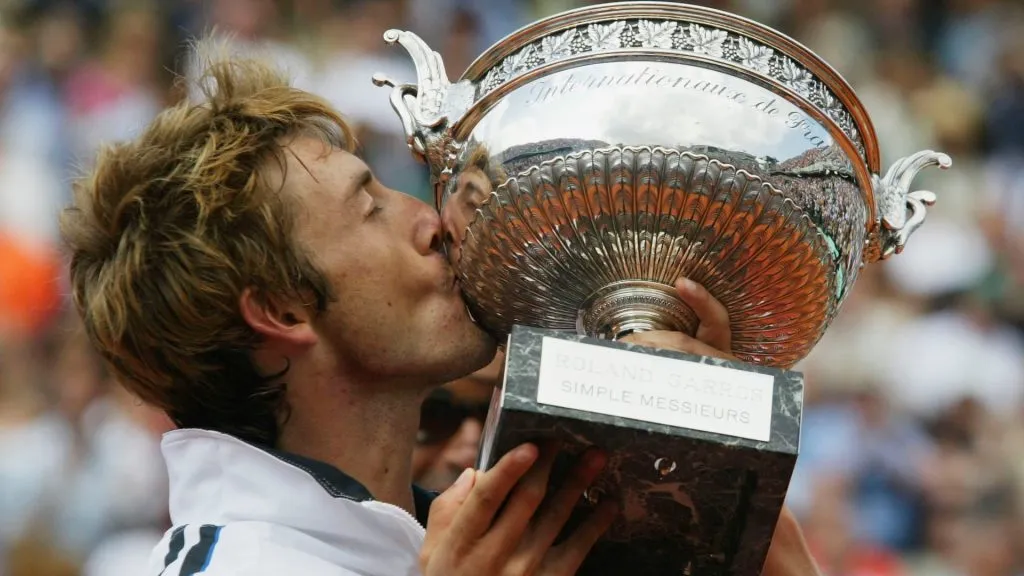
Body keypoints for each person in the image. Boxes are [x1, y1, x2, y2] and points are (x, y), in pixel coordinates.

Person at [60, 46, 821, 576]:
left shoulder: (512, 535)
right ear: (283, 308)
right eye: (369, 206)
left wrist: (722, 480)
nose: (433, 221)